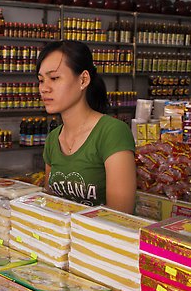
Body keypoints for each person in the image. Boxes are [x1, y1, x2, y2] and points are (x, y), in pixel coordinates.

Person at [37, 40, 137, 213]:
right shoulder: (53, 139)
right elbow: (51, 207)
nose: (44, 88)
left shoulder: (112, 132)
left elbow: (120, 218)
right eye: (41, 80)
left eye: (54, 78)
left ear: (83, 79)